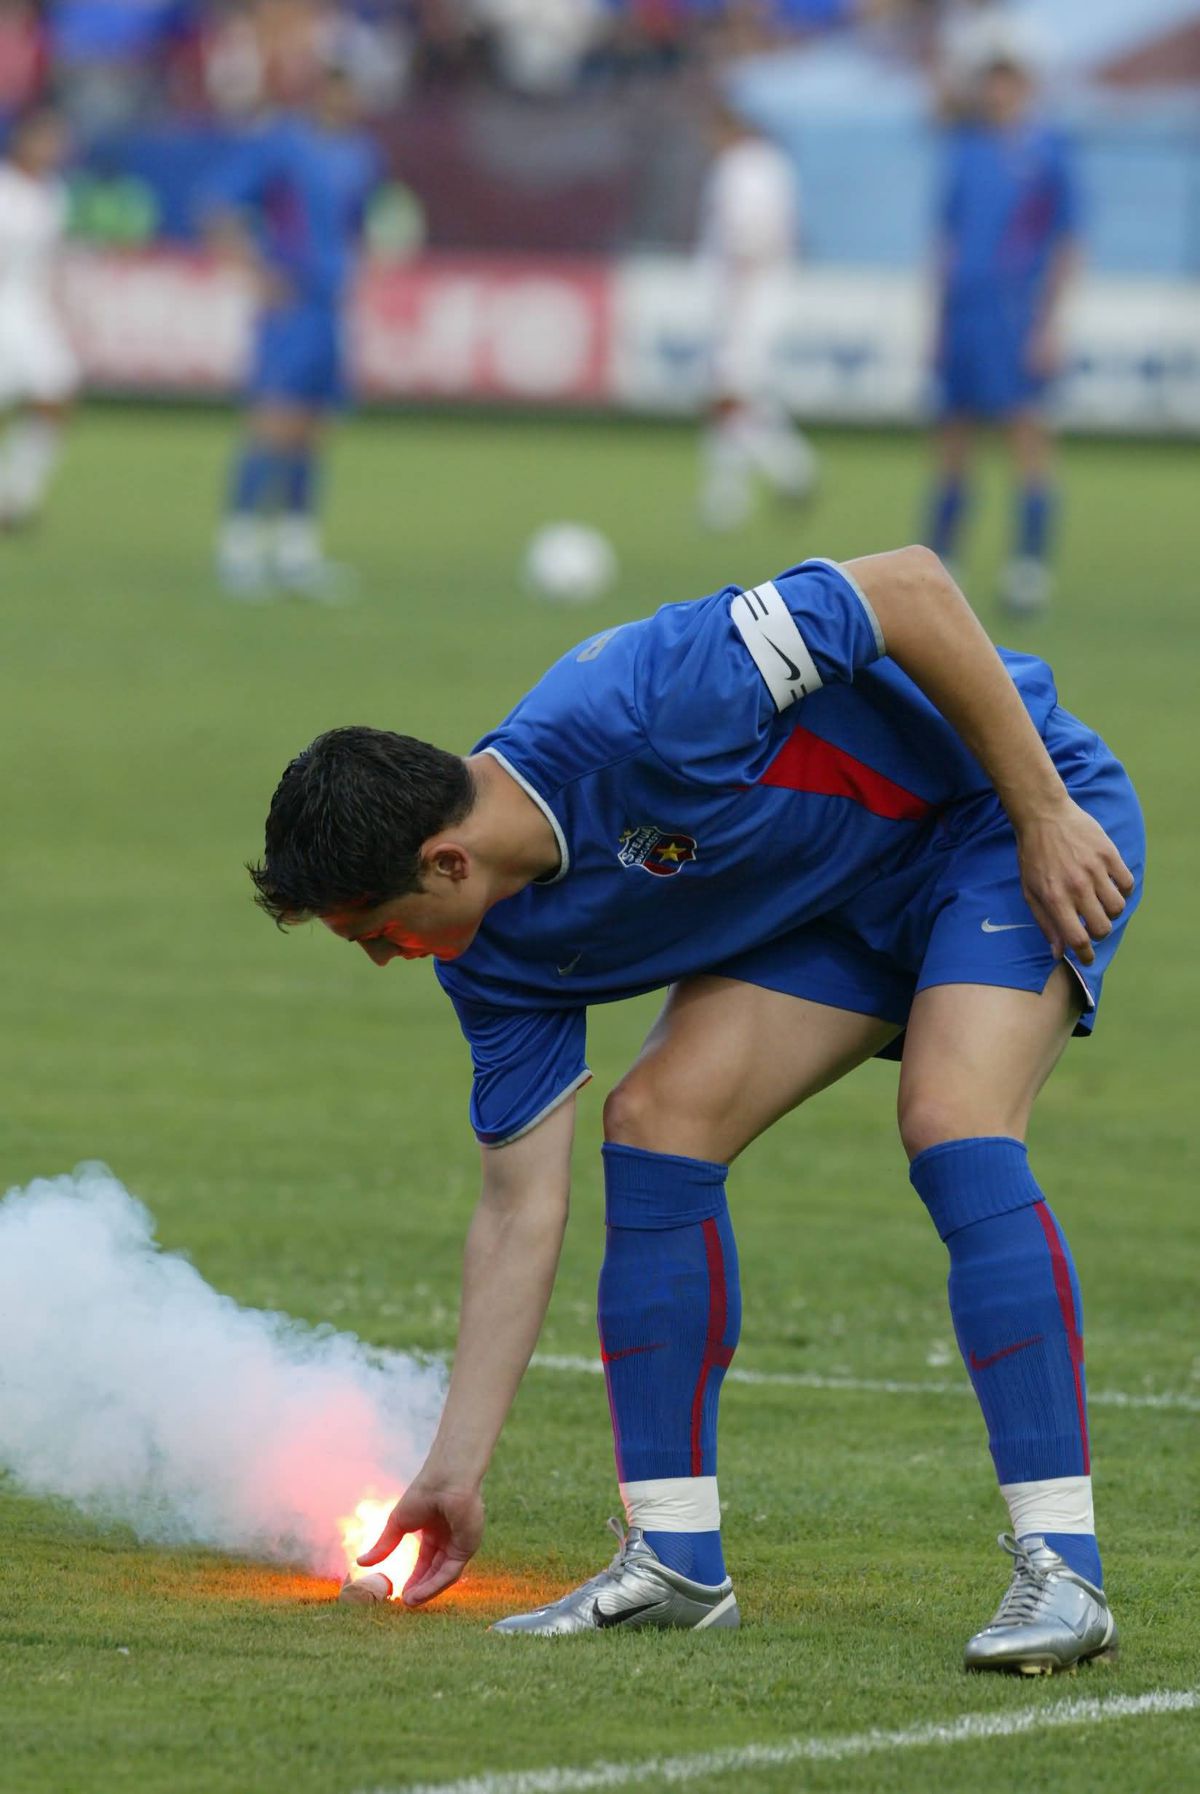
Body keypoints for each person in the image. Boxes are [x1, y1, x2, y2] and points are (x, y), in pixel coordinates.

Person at [251, 545, 1142, 1670]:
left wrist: (1045, 811)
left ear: (444, 860)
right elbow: (519, 1211)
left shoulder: (645, 698)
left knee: (951, 1117)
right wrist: (451, 1471)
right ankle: (674, 1563)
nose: (388, 959)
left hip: (1002, 818)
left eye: (376, 930)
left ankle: (1064, 1572)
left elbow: (910, 586)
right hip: (835, 900)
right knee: (658, 1118)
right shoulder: (492, 965)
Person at [200, 60, 380, 600]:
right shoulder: (281, 145)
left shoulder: (361, 154)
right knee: (273, 423)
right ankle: (238, 548)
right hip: (292, 305)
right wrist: (255, 274)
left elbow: (356, 224)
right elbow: (217, 207)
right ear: (317, 94)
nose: (345, 105)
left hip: (331, 307)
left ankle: (296, 553)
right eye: (336, 94)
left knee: (313, 430)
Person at [925, 25, 1080, 616]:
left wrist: (1050, 323)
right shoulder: (967, 150)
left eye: (1009, 81)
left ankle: (1028, 567)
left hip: (1016, 312)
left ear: (1028, 86)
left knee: (1027, 435)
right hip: (964, 310)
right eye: (992, 81)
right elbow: (946, 238)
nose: (999, 92)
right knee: (953, 439)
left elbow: (1067, 242)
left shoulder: (1049, 154)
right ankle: (940, 564)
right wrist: (936, 318)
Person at [696, 100, 818, 531]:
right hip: (766, 292)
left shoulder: (739, 167)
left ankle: (786, 472)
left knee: (731, 397)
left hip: (749, 296)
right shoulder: (773, 164)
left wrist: (737, 299)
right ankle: (736, 491)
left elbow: (748, 234)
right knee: (738, 396)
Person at [0, 105, 76, 530]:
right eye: (46, 138)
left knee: (55, 390)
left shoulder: (53, 193)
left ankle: (16, 495)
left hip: (28, 307)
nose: (53, 149)